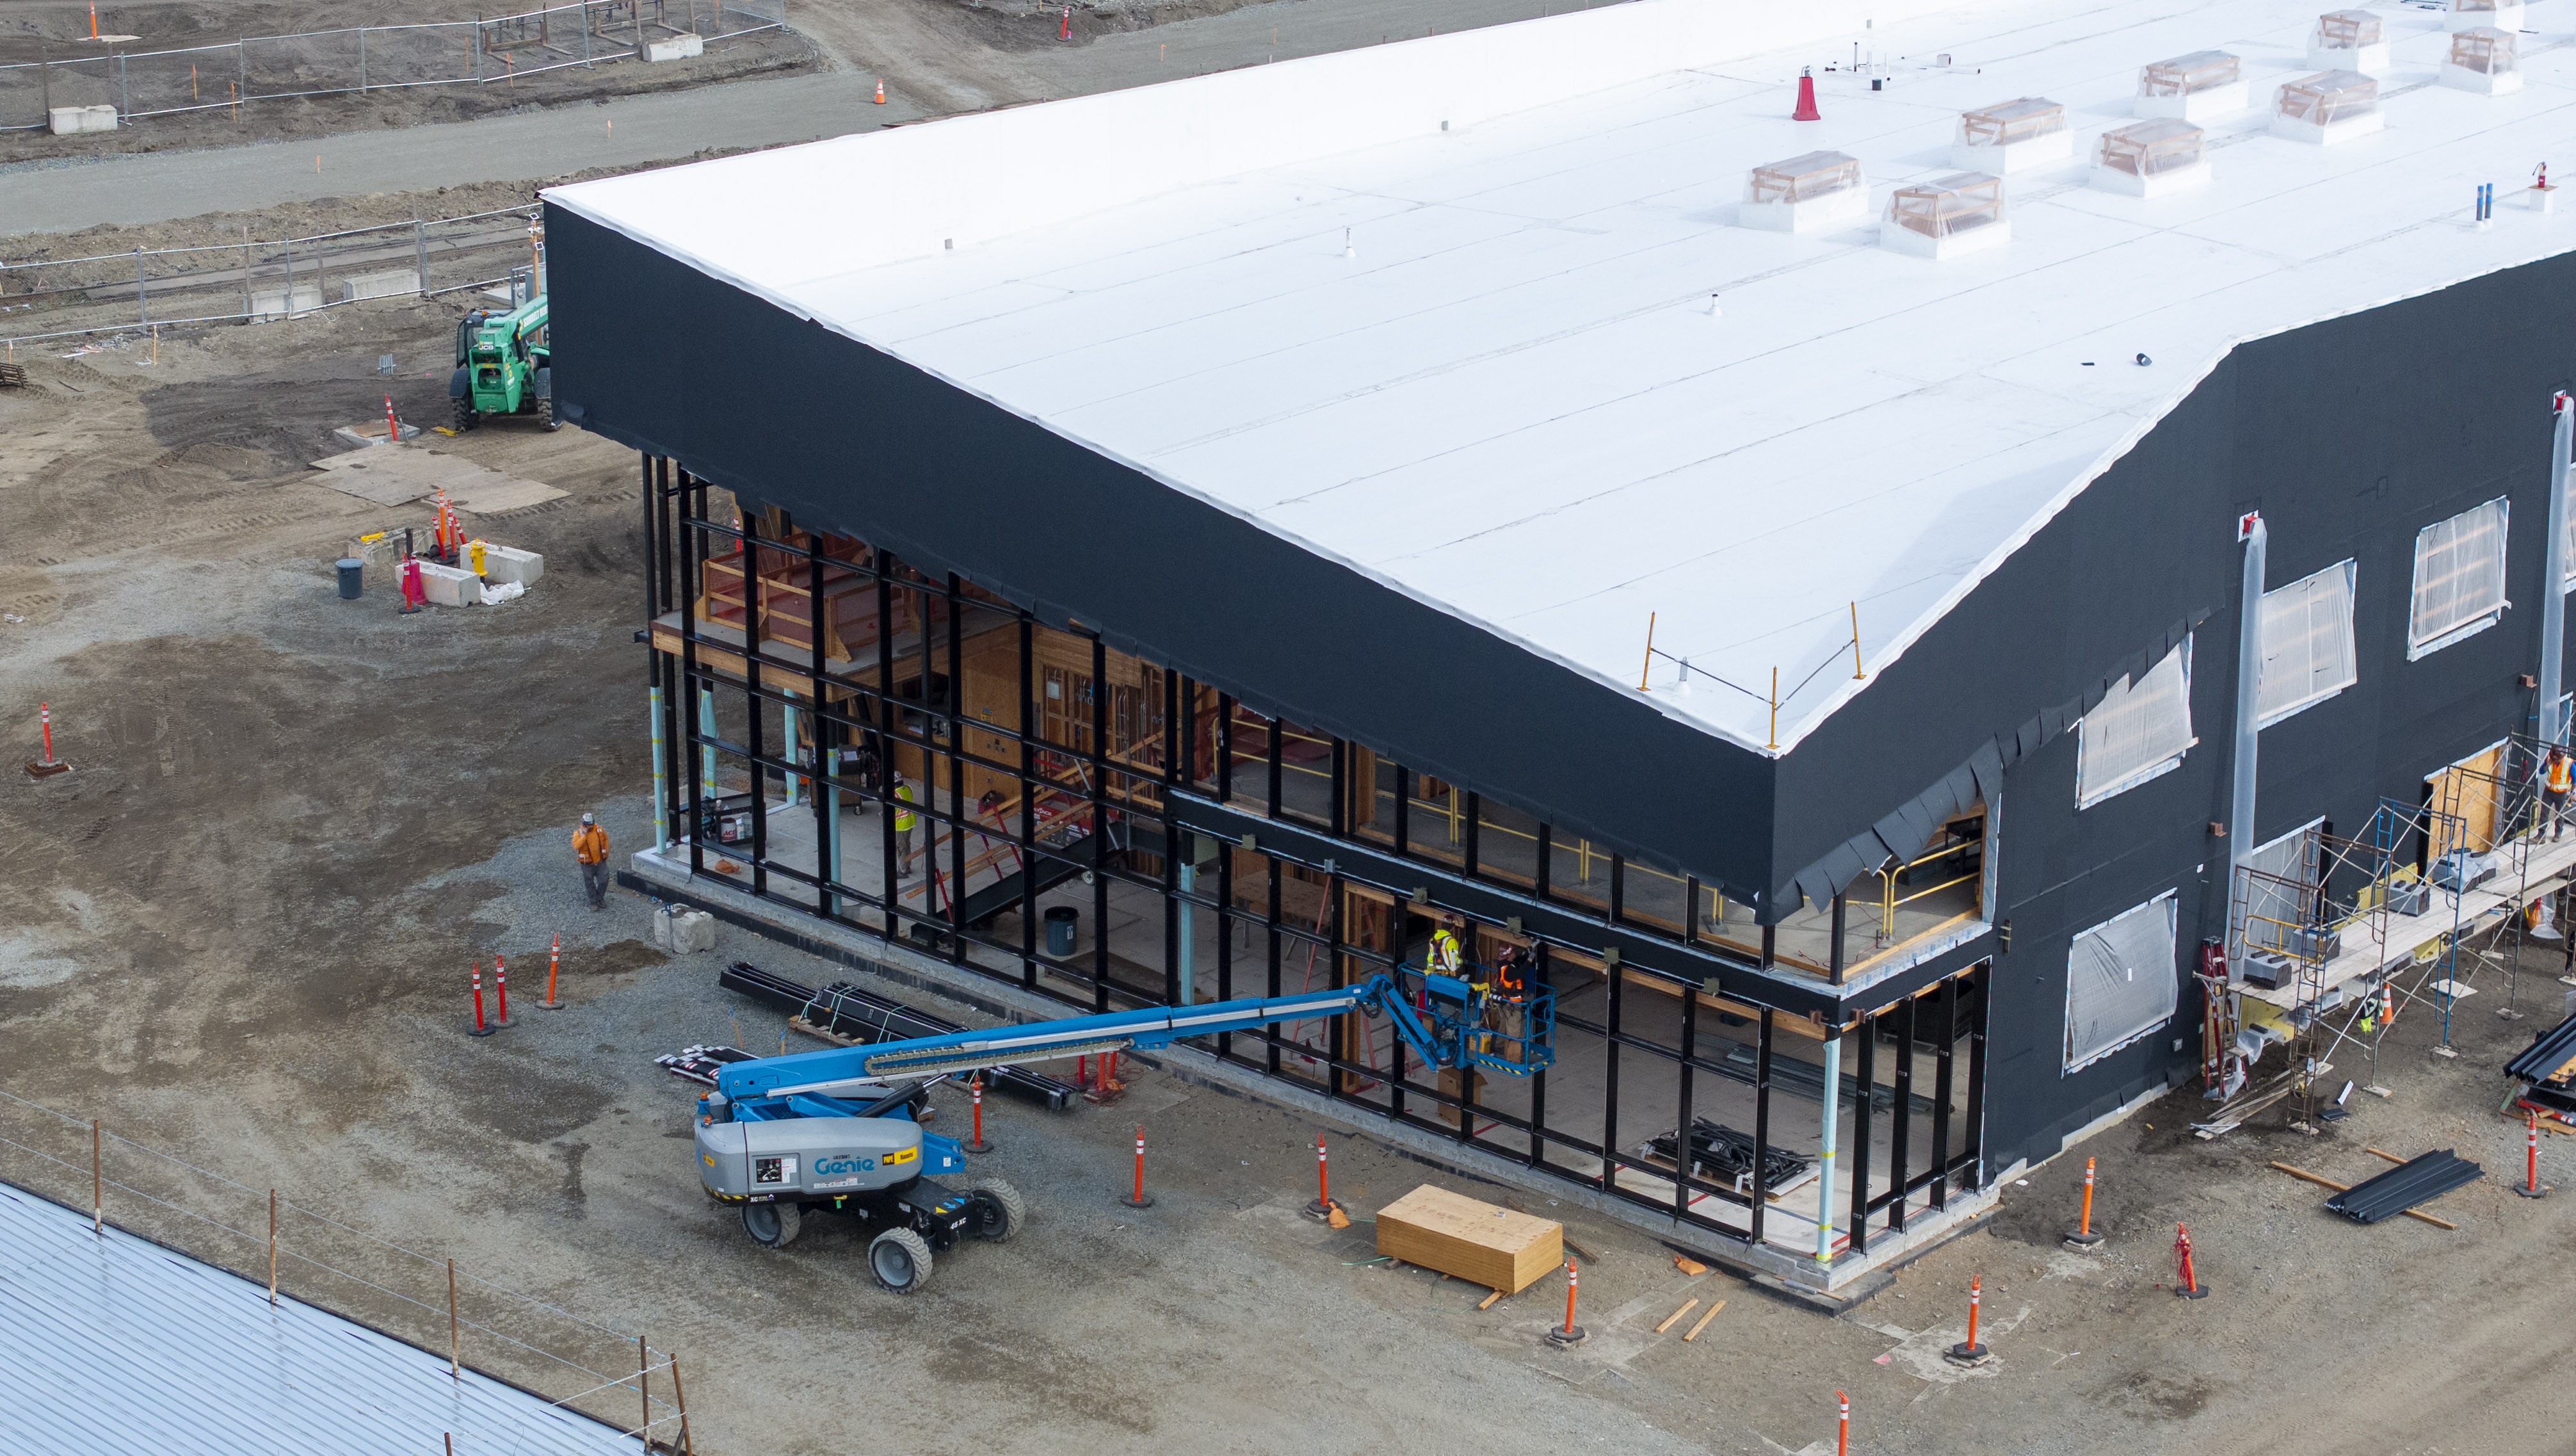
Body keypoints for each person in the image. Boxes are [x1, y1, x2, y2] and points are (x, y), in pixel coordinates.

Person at [572, 813, 611, 910]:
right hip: (587, 864)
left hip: (600, 861)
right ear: (584, 824)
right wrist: (584, 836)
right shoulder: (578, 833)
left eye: (591, 824)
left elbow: (606, 840)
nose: (590, 826)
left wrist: (606, 853)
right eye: (588, 825)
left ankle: (599, 897)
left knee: (604, 880)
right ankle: (594, 901)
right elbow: (576, 846)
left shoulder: (599, 830)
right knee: (590, 883)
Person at [892, 772, 919, 880]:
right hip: (910, 823)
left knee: (901, 848)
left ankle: (903, 870)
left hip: (901, 826)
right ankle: (907, 866)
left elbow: (892, 811)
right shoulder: (907, 789)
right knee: (907, 845)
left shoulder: (895, 795)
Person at [2547, 747, 2572, 842]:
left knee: (2559, 813)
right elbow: (2542, 771)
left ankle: (2558, 833)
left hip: (2561, 793)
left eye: (2556, 759)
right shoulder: (2550, 760)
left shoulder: (2569, 763)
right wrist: (2548, 764)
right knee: (2544, 813)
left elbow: (2575, 779)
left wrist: (2571, 794)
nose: (2555, 761)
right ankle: (2540, 835)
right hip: (2549, 790)